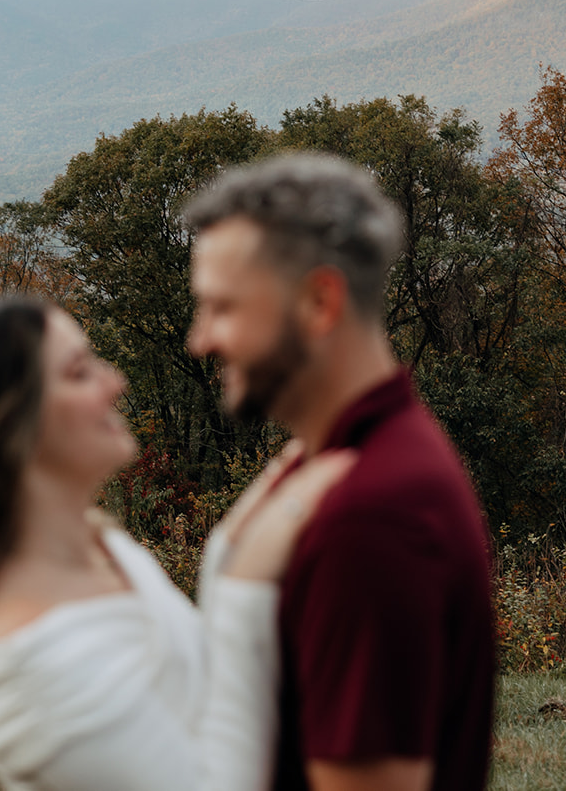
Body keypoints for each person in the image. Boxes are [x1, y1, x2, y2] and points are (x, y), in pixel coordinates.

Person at [0, 295, 356, 791]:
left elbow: (198, 689)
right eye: (78, 372)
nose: (116, 382)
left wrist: (234, 542)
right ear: (7, 429)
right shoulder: (32, 669)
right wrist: (246, 587)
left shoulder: (102, 546)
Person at [183, 152, 496, 791]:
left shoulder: (372, 513)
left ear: (319, 302)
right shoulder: (322, 460)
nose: (201, 338)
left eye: (223, 307)